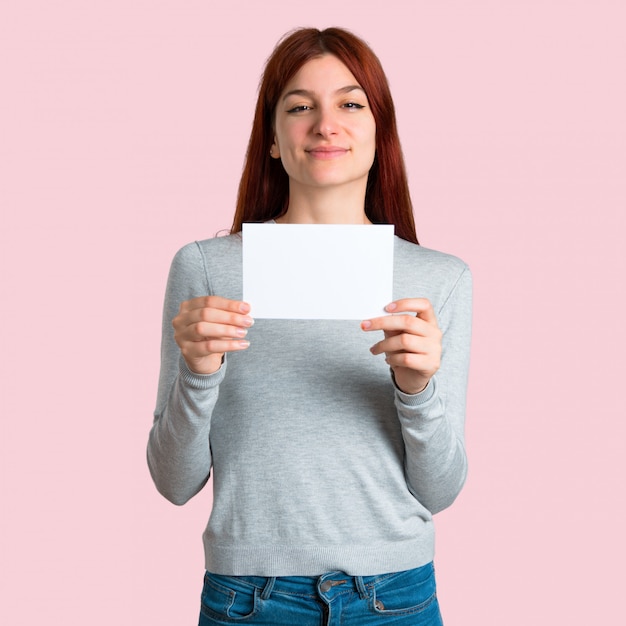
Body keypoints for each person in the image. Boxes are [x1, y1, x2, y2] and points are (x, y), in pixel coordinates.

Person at [148, 27, 472, 626]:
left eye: (351, 104)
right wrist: (198, 375)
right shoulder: (205, 267)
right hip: (247, 597)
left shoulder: (440, 279)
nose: (326, 124)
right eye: (300, 107)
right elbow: (174, 482)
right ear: (272, 139)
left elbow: (441, 490)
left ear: (380, 132)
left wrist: (415, 390)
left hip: (394, 596)